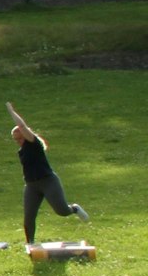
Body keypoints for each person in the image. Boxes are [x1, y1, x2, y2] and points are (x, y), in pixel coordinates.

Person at [8, 102, 91, 244]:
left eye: (20, 138)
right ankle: (30, 243)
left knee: (62, 211)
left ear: (27, 135)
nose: (18, 141)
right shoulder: (21, 151)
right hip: (31, 185)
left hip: (48, 181)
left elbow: (22, 126)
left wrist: (11, 111)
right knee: (29, 216)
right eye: (15, 140)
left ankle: (74, 209)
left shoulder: (34, 144)